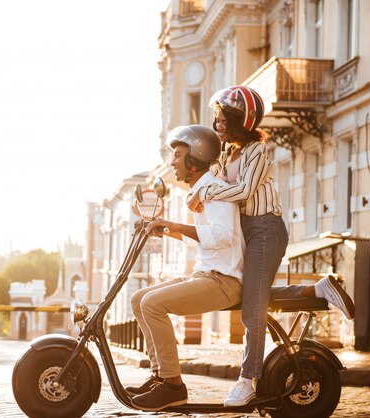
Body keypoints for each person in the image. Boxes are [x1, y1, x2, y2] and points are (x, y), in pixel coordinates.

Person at [188, 85, 355, 407]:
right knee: (246, 296)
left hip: (265, 229)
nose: (217, 123)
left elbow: (244, 192)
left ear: (240, 119)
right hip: (245, 230)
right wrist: (196, 193)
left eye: (222, 118)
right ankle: (317, 291)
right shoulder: (226, 154)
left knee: (253, 311)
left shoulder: (257, 153)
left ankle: (248, 380)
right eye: (216, 118)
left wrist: (204, 195)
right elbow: (215, 185)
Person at [127, 124, 245, 411]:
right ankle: (160, 375)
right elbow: (202, 240)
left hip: (223, 281)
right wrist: (167, 231)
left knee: (153, 304)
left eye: (177, 156)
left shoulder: (214, 191)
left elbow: (223, 235)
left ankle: (173, 386)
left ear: (194, 158)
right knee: (139, 299)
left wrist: (175, 224)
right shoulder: (201, 191)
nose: (172, 163)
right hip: (207, 276)